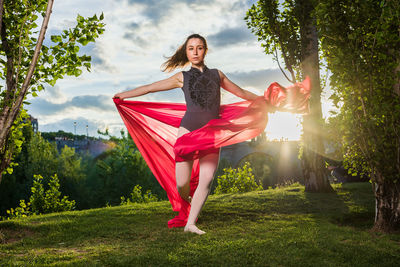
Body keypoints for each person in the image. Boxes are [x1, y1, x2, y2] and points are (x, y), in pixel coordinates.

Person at [114, 34, 259, 235]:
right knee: (182, 183)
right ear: (187, 52)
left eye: (199, 48)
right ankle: (189, 201)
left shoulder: (218, 75)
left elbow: (242, 93)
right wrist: (125, 95)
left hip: (211, 135)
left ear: (205, 51)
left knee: (206, 180)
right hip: (188, 133)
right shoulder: (182, 77)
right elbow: (149, 88)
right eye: (191, 48)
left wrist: (265, 100)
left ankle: (190, 224)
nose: (195, 52)